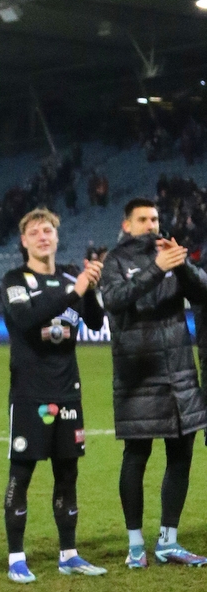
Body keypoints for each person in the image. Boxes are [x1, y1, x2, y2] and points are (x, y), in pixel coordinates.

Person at [1, 208, 107, 583]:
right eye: (35, 231)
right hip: (31, 395)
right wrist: (75, 290)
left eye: (49, 230)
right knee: (22, 473)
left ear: (57, 237)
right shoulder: (15, 279)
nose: (43, 235)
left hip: (69, 393)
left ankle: (69, 554)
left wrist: (90, 290)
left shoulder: (68, 277)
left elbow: (94, 321)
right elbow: (27, 320)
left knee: (68, 474)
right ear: (24, 241)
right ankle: (16, 557)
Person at [100, 198, 207, 568]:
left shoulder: (171, 255)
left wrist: (182, 264)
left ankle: (168, 541)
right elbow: (114, 300)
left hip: (180, 377)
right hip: (138, 377)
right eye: (143, 219)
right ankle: (134, 545)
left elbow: (203, 293)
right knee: (137, 456)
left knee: (181, 457)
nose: (151, 224)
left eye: (156, 218)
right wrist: (155, 269)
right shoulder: (114, 261)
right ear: (127, 224)